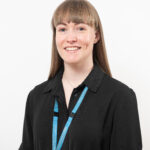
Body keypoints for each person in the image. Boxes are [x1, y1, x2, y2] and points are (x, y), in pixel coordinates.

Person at [19, 0, 142, 150]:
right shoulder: (36, 97)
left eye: (80, 28)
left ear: (96, 36)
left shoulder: (120, 97)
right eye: (63, 29)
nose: (70, 38)